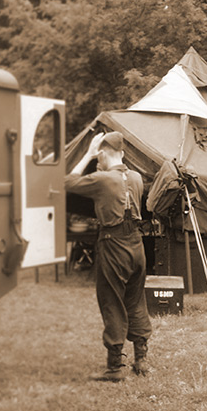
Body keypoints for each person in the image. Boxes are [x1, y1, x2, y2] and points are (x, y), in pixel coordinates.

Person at [65, 131, 152, 381]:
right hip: (137, 244)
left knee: (112, 300)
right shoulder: (135, 177)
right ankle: (141, 360)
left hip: (113, 245)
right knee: (136, 300)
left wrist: (87, 155)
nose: (97, 162)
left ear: (102, 154)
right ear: (123, 153)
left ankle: (114, 367)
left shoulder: (102, 178)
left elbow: (68, 183)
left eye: (98, 157)